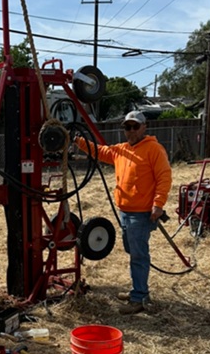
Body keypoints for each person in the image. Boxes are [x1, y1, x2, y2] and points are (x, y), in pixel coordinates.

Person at [73, 110, 172, 315]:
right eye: (128, 127)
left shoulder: (154, 149)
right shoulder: (121, 151)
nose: (131, 130)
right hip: (125, 212)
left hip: (141, 214)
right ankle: (138, 290)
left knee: (138, 255)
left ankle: (139, 298)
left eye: (135, 126)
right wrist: (77, 141)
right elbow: (99, 151)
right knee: (132, 251)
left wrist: (158, 204)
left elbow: (164, 177)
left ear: (144, 127)